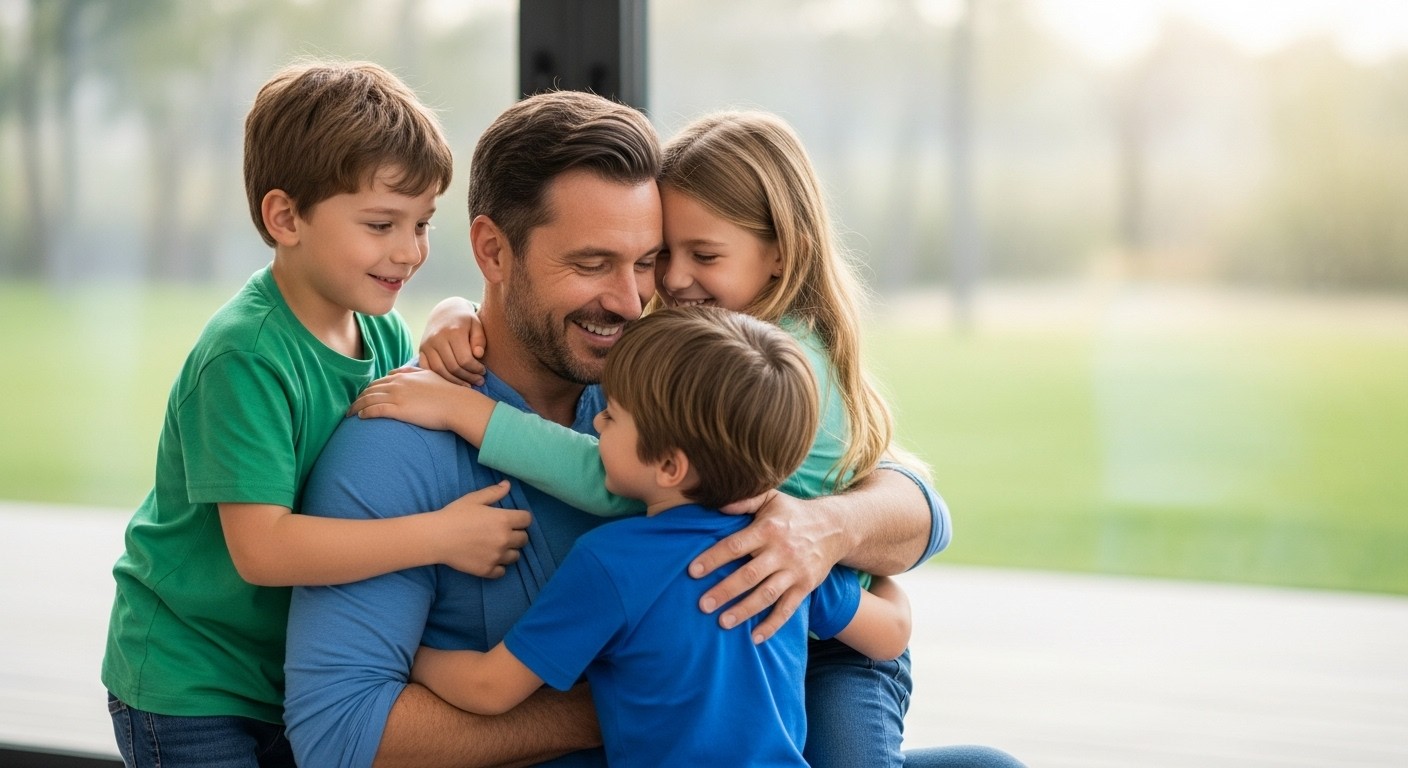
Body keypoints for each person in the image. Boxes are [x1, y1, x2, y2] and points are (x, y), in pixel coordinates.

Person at [283, 91, 949, 768]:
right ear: (492, 250)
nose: (634, 302)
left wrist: (825, 528)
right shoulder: (398, 439)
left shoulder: (662, 383)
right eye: (593, 264)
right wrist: (652, 697)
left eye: (645, 263)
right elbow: (340, 738)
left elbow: (913, 503)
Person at [100, 60, 532, 768]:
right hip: (190, 680)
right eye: (381, 224)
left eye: (422, 224)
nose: (411, 250)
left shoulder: (381, 329)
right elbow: (262, 549)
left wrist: (456, 312)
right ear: (285, 217)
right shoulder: (246, 356)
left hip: (285, 674)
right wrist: (441, 537)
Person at [410, 304, 914, 766]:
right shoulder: (782, 557)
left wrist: (413, 656)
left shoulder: (610, 562)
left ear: (670, 466)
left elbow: (488, 688)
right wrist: (851, 561)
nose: (598, 423)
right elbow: (891, 634)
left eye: (613, 416)